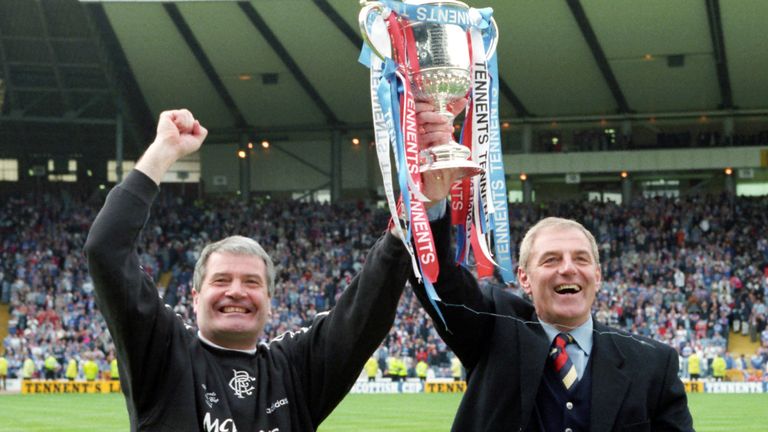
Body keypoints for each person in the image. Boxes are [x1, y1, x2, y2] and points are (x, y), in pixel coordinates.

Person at [84, 109, 412, 431]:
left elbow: (363, 316)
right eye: (222, 280)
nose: (236, 291)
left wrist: (406, 223)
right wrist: (163, 152)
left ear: (270, 301)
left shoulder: (294, 370)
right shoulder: (164, 353)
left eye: (251, 282)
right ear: (195, 298)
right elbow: (106, 249)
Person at [406, 132, 694, 430]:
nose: (568, 269)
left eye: (581, 259)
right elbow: (439, 279)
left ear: (598, 276)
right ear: (524, 278)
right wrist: (431, 202)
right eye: (551, 259)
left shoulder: (653, 364)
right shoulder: (491, 332)